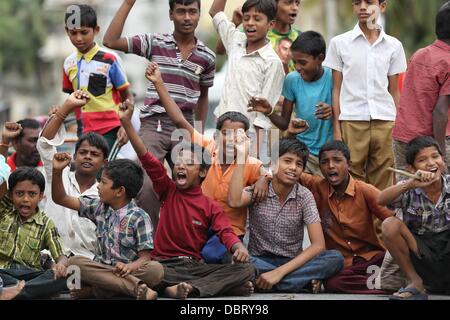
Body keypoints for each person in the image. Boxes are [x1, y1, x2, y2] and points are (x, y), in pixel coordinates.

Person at [120, 100, 256, 299]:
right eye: (179, 162)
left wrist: (239, 247)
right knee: (152, 271)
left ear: (202, 172)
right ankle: (190, 288)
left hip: (193, 266)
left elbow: (225, 232)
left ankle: (181, 288)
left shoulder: (210, 206)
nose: (181, 166)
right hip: (163, 265)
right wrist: (127, 124)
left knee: (247, 270)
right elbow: (146, 156)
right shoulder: (168, 189)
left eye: (189, 163)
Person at [103, 0, 216, 230]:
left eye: (192, 12)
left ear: (198, 15)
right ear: (171, 14)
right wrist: (128, 3)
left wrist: (199, 134)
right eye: (181, 11)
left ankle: (184, 242)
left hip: (184, 126)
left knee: (191, 185)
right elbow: (110, 41)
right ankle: (151, 243)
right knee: (145, 184)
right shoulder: (155, 42)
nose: (187, 17)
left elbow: (203, 97)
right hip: (153, 124)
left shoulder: (207, 56)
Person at [145, 61, 269, 264]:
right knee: (185, 254)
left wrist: (265, 177)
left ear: (246, 138)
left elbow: (261, 178)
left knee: (209, 256)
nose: (232, 140)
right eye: (226, 134)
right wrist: (159, 83)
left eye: (239, 135)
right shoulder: (206, 147)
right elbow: (179, 121)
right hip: (199, 224)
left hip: (229, 230)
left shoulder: (252, 164)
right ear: (218, 136)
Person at [229, 136, 344, 293]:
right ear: (274, 164)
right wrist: (242, 157)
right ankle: (300, 284)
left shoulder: (304, 196)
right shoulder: (260, 189)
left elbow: (318, 245)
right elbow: (234, 201)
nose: (293, 168)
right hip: (259, 260)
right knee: (232, 259)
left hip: (293, 262)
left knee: (335, 258)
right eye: (287, 161)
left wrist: (279, 272)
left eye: (299, 164)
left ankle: (264, 282)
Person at [52, 156, 163, 300]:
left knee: (155, 270)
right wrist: (56, 171)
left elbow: (145, 258)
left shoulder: (140, 217)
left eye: (103, 182)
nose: (98, 185)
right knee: (74, 263)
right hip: (101, 270)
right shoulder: (98, 207)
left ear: (119, 191)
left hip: (126, 272)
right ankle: (135, 288)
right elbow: (60, 198)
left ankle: (96, 292)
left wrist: (129, 267)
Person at [323, 0, 407, 191]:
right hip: (351, 121)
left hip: (385, 121)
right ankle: (355, 222)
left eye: (369, 2)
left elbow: (394, 91)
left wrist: (399, 125)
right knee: (351, 178)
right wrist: (336, 127)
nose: (362, 7)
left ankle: (380, 222)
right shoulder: (339, 43)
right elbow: (336, 89)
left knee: (384, 177)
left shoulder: (393, 46)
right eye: (357, 3)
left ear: (382, 7)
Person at [293, 137, 394, 294]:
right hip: (341, 264)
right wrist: (264, 180)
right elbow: (277, 167)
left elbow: (393, 221)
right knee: (334, 283)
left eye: (337, 160)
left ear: (349, 164)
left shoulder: (365, 190)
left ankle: (384, 280)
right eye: (325, 162)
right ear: (319, 166)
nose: (331, 166)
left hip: (371, 258)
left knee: (391, 260)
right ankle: (386, 283)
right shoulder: (316, 186)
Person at [248, 31, 334, 176]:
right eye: (295, 62)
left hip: (328, 153)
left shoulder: (333, 77)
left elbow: (347, 110)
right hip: (303, 152)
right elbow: (283, 123)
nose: (298, 67)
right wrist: (269, 111)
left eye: (303, 62)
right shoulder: (292, 80)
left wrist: (333, 110)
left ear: (320, 58)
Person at [209, 0, 285, 160]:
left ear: (270, 24)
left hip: (248, 137)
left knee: (244, 182)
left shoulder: (272, 62)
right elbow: (215, 11)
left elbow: (262, 117)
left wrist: (253, 157)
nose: (250, 23)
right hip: (222, 131)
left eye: (257, 19)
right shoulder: (235, 40)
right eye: (246, 18)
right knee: (219, 180)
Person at [38, 90, 109, 259]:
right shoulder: (58, 175)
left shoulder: (105, 194)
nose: (87, 157)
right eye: (83, 152)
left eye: (94, 154)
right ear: (75, 156)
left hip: (87, 261)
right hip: (49, 258)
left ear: (104, 162)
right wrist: (66, 107)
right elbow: (44, 146)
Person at [379, 136, 450, 300]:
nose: (431, 163)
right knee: (390, 224)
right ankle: (415, 281)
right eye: (422, 160)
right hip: (421, 254)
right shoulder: (408, 187)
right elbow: (380, 200)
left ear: (443, 160)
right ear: (411, 168)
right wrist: (410, 184)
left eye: (435, 157)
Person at [0, 130, 69, 299]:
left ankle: (18, 292)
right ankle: (17, 291)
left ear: (41, 196)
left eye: (32, 194)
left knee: (73, 275)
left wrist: (60, 264)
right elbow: (1, 178)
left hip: (31, 275)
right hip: (3, 273)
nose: (25, 200)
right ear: (10, 195)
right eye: (19, 193)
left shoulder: (46, 223)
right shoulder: (4, 210)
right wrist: (5, 141)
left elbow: (60, 255)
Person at [392, 1, 450, 178]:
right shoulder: (448, 61)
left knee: (406, 193)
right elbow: (440, 113)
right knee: (440, 198)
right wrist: (441, 156)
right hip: (430, 144)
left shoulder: (420, 54)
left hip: (402, 138)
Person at [63, 4, 132, 153]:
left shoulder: (110, 59)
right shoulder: (68, 63)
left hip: (110, 128)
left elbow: (127, 96)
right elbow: (71, 98)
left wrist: (125, 126)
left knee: (104, 171)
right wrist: (59, 113)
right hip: (83, 129)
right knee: (86, 173)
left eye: (84, 32)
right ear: (66, 31)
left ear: (96, 30)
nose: (78, 38)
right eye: (73, 33)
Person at [215, 0, 301, 74]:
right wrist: (234, 23)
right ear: (274, 4)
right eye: (289, 2)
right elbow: (220, 50)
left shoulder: (300, 38)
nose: (295, 8)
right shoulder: (253, 33)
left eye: (297, 3)